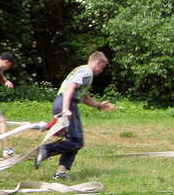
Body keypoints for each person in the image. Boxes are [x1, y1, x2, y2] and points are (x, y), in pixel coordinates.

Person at [35, 51, 115, 180]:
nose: (102, 71)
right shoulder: (87, 72)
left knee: (76, 140)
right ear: (99, 63)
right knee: (76, 141)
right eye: (103, 67)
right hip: (66, 103)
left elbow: (82, 96)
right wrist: (66, 109)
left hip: (67, 103)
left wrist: (98, 105)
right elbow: (70, 88)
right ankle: (45, 150)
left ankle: (61, 173)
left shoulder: (82, 71)